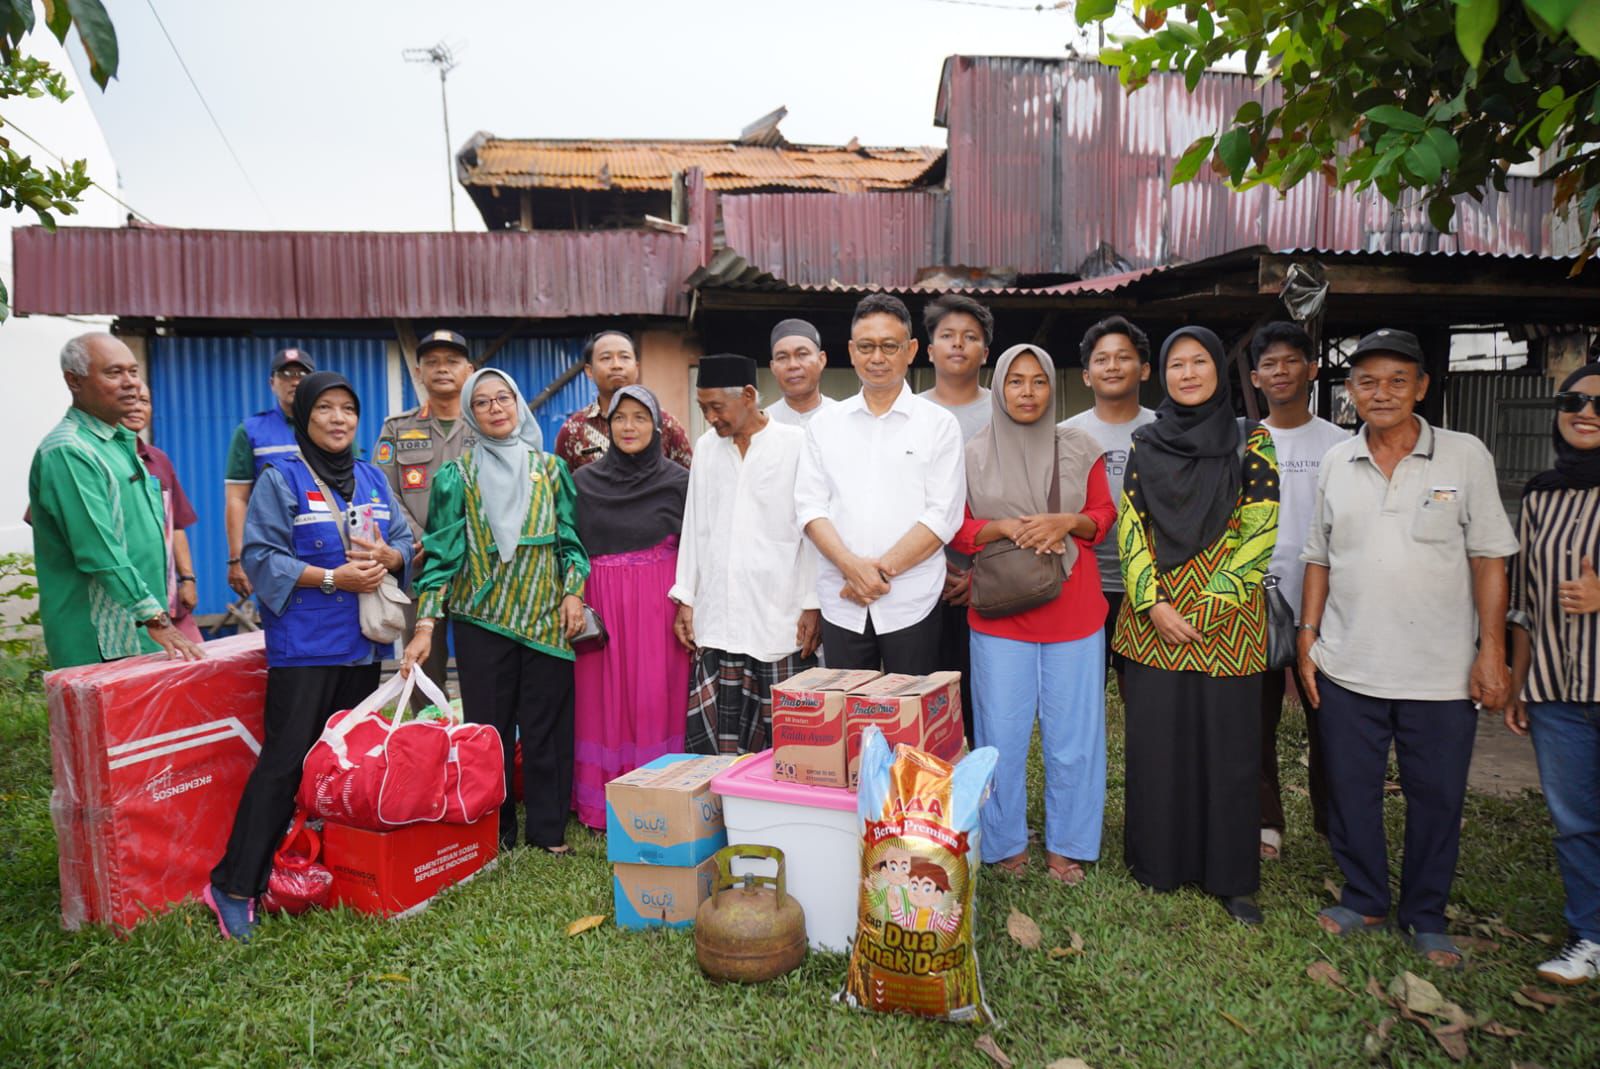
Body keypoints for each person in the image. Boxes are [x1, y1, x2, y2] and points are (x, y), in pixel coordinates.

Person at [1298, 328, 1516, 968]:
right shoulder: (1339, 459)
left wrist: (1492, 651)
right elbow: (1318, 557)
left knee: (1438, 796)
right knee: (1349, 788)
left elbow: (1489, 558)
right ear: (1351, 390)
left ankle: (1425, 914)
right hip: (1349, 663)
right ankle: (1363, 897)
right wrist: (1308, 641)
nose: (1381, 393)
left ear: (1422, 386)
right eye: (1367, 381)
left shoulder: (1464, 455)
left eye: (1398, 380)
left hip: (1442, 672)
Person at [207, 371, 413, 940]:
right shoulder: (282, 480)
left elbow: (406, 540)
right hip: (305, 647)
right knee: (286, 763)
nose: (339, 418)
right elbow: (262, 557)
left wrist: (390, 558)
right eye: (325, 408)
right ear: (303, 417)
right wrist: (331, 577)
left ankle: (311, 867)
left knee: (341, 762)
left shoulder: (371, 477)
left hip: (362, 645)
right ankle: (232, 884)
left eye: (348, 408)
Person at [1115, 326, 1278, 926]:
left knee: (1228, 751)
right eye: (1176, 363)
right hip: (1154, 620)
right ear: (1163, 373)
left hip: (1226, 624)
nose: (1187, 373)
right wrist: (1155, 604)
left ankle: (1230, 877)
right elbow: (1130, 527)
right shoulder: (1144, 443)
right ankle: (1158, 862)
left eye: (1199, 362)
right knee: (1159, 747)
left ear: (1217, 371)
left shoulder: (1251, 440)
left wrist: (1204, 609)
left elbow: (1260, 530)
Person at [403, 368, 588, 854]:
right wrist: (425, 626)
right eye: (482, 403)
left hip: (546, 618)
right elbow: (441, 555)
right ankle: (496, 828)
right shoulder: (455, 477)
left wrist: (573, 592)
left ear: (518, 403)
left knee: (548, 726)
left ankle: (547, 830)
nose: (495, 409)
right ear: (471, 414)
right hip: (480, 622)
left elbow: (571, 542)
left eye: (502, 398)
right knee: (489, 729)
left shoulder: (551, 470)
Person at [951, 344, 1114, 884]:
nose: (1026, 392)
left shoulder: (1080, 446)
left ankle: (1069, 844)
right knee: (1000, 736)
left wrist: (1065, 522)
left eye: (1037, 381)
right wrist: (1003, 528)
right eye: (1015, 381)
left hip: (1074, 610)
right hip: (1001, 616)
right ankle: (1004, 843)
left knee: (1074, 738)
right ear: (999, 387)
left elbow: (1103, 516)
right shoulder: (971, 453)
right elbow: (956, 528)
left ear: (1053, 386)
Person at [796, 294, 965, 674]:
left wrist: (875, 574)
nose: (878, 357)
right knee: (849, 717)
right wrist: (850, 568)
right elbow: (809, 508)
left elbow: (943, 516)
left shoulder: (938, 425)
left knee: (911, 719)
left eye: (890, 346)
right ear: (852, 351)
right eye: (867, 347)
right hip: (842, 602)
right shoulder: (824, 425)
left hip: (912, 600)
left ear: (911, 350)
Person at [672, 355, 821, 755]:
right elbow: (695, 523)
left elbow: (812, 530)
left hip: (781, 609)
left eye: (716, 407)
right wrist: (686, 595)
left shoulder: (796, 444)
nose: (709, 418)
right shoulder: (707, 447)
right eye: (703, 408)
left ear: (750, 396)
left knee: (787, 738)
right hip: (720, 609)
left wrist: (812, 603)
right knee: (721, 735)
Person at [1505, 361, 1600, 984]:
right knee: (1574, 822)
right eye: (1574, 402)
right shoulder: (1541, 493)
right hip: (1557, 689)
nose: (1587, 413)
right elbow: (1524, 599)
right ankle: (1589, 934)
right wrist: (1515, 679)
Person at [28, 334, 203, 669]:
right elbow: (98, 550)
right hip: (100, 638)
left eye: (133, 372)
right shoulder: (70, 450)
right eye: (114, 373)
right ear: (74, 381)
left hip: (140, 632)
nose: (131, 384)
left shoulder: (122, 445)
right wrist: (154, 616)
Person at [1247, 321, 1349, 861]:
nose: (1281, 371)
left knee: (1329, 718)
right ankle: (1266, 822)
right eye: (1270, 363)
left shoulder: (1341, 443)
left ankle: (1334, 823)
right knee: (1256, 717)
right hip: (1257, 601)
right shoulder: (1247, 443)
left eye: (1292, 361)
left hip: (1327, 604)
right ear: (1256, 376)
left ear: (1311, 370)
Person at [571, 386, 692, 828]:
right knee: (600, 699)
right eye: (620, 418)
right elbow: (571, 546)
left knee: (654, 696)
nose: (629, 427)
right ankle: (601, 801)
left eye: (640, 417)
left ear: (657, 425)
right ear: (608, 426)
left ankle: (662, 798)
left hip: (659, 606)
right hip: (601, 605)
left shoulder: (679, 481)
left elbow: (698, 547)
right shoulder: (583, 483)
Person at [377, 329, 482, 706]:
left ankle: (481, 746)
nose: (442, 369)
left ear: (469, 370)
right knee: (422, 669)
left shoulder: (488, 426)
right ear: (418, 371)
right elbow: (384, 493)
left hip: (478, 570)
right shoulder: (397, 429)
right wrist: (425, 539)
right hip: (420, 566)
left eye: (452, 361)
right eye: (433, 362)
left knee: (482, 669)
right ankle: (429, 746)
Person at [1062, 316, 1156, 697]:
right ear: (1086, 375)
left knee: (1144, 692)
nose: (1113, 367)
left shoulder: (1164, 430)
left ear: (1145, 370)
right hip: (1085, 581)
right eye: (1102, 360)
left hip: (1151, 585)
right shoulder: (1065, 435)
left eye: (1123, 358)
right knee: (1082, 695)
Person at [919, 294, 995, 742]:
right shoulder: (911, 411)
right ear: (929, 350)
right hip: (921, 576)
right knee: (928, 695)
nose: (958, 345)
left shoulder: (1005, 409)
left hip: (991, 577)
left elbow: (1019, 498)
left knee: (984, 698)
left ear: (985, 352)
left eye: (970, 338)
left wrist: (982, 572)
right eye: (947, 336)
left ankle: (984, 797)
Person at [223, 348, 314, 599]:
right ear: (271, 383)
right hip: (274, 551)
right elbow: (237, 498)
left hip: (326, 548)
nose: (295, 381)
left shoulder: (331, 424)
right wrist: (237, 557)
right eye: (286, 374)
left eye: (302, 374)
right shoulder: (251, 431)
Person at [124, 383, 204, 644]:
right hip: (125, 605)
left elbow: (176, 524)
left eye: (144, 401)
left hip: (168, 603)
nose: (137, 406)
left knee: (196, 669)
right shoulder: (82, 457)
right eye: (130, 399)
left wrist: (188, 579)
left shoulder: (158, 460)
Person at [553, 330, 692, 471]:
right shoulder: (572, 431)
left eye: (624, 357)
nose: (616, 365)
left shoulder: (666, 425)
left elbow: (688, 483)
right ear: (589, 371)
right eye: (606, 358)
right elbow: (563, 488)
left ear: (637, 368)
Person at [766, 318, 837, 426]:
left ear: (821, 360)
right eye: (782, 357)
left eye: (802, 354)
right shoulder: (764, 424)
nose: (793, 365)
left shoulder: (842, 418)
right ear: (773, 367)